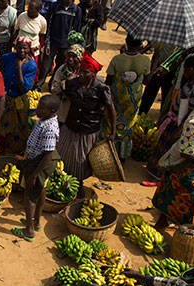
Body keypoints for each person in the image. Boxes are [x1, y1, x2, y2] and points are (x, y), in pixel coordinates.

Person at [152, 87, 194, 229]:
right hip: (184, 166)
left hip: (192, 163)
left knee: (172, 194)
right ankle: (184, 226)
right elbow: (187, 153)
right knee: (188, 197)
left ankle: (164, 221)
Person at [57, 53, 115, 189]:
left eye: (85, 72)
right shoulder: (72, 84)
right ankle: (61, 181)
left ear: (93, 74)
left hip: (88, 128)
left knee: (81, 160)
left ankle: (79, 184)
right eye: (81, 71)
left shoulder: (101, 89)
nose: (81, 74)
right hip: (71, 125)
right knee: (63, 153)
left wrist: (112, 132)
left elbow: (111, 110)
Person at [145, 55, 194, 183]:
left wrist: (178, 129)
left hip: (179, 123)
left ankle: (159, 177)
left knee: (168, 150)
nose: (183, 71)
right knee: (162, 145)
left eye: (185, 69)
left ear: (190, 69)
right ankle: (155, 171)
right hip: (174, 118)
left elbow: (191, 112)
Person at [12, 95, 60, 241]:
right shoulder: (44, 120)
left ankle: (29, 230)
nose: (37, 109)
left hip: (40, 163)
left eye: (41, 108)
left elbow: (48, 155)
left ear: (51, 111)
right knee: (41, 189)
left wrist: (34, 174)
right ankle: (36, 221)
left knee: (30, 195)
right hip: (38, 159)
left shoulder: (50, 128)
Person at [105, 35, 151, 160]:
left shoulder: (117, 59)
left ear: (126, 42)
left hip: (117, 97)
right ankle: (123, 155)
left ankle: (109, 151)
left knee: (111, 121)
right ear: (140, 44)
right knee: (128, 125)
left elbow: (108, 81)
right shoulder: (145, 61)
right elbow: (146, 80)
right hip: (133, 100)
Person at [0, 37, 38, 155]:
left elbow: (24, 87)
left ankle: (17, 152)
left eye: (24, 48)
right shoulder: (10, 57)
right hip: (8, 97)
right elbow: (1, 62)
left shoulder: (31, 66)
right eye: (19, 47)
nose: (21, 51)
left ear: (29, 49)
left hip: (20, 100)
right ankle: (3, 150)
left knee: (20, 127)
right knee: (4, 125)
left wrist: (19, 68)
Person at [38, 0, 81, 89]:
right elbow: (48, 25)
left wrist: (71, 46)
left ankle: (52, 84)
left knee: (60, 65)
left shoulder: (76, 10)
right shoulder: (55, 6)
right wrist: (47, 43)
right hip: (53, 42)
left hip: (66, 45)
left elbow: (77, 29)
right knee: (46, 64)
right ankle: (39, 84)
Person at [50, 43, 84, 120]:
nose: (70, 59)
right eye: (69, 56)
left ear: (80, 57)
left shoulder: (84, 72)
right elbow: (54, 89)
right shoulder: (62, 69)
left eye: (74, 56)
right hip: (62, 110)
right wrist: (66, 82)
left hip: (77, 113)